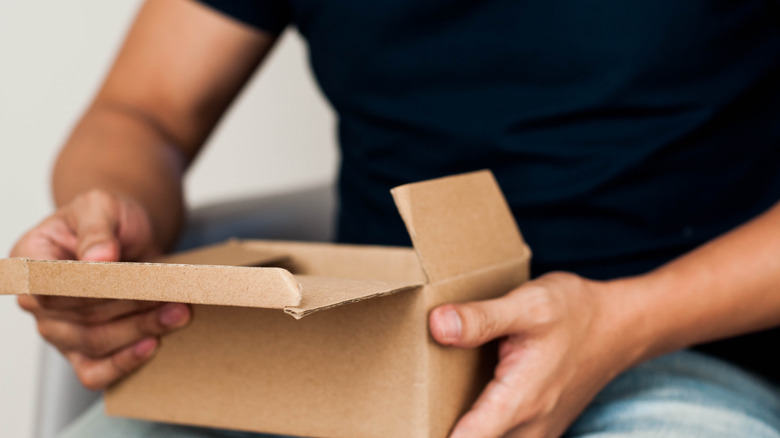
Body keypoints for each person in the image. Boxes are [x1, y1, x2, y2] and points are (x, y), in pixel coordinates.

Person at [11, 0, 780, 437]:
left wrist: (628, 320)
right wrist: (106, 233)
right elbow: (142, 111)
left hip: (671, 340)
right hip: (358, 357)